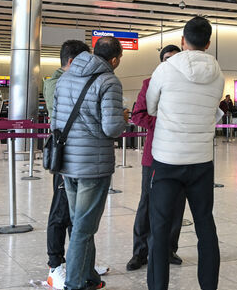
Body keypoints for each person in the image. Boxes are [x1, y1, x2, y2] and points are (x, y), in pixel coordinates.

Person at [145, 16, 225, 290]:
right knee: (205, 226)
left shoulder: (165, 70)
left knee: (160, 229)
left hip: (167, 161)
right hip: (202, 161)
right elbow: (213, 111)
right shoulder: (218, 73)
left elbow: (151, 106)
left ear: (183, 41)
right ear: (209, 43)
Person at [53, 36, 127, 290]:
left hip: (67, 161)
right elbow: (112, 128)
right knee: (84, 227)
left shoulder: (66, 77)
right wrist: (123, 119)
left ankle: (90, 277)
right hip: (93, 165)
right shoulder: (109, 81)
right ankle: (74, 284)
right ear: (115, 59)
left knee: (80, 222)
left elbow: (55, 119)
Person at [127, 44, 186, 272]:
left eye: (174, 59)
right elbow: (138, 115)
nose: (170, 63)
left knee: (177, 204)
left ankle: (169, 249)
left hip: (181, 154)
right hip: (154, 155)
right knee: (147, 204)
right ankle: (140, 252)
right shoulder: (149, 83)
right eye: (166, 59)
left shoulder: (187, 86)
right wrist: (165, 124)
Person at [43, 40, 93, 290]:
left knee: (76, 213)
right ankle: (55, 266)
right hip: (66, 156)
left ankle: (79, 262)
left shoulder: (68, 81)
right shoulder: (57, 83)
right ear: (72, 62)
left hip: (78, 156)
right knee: (61, 210)